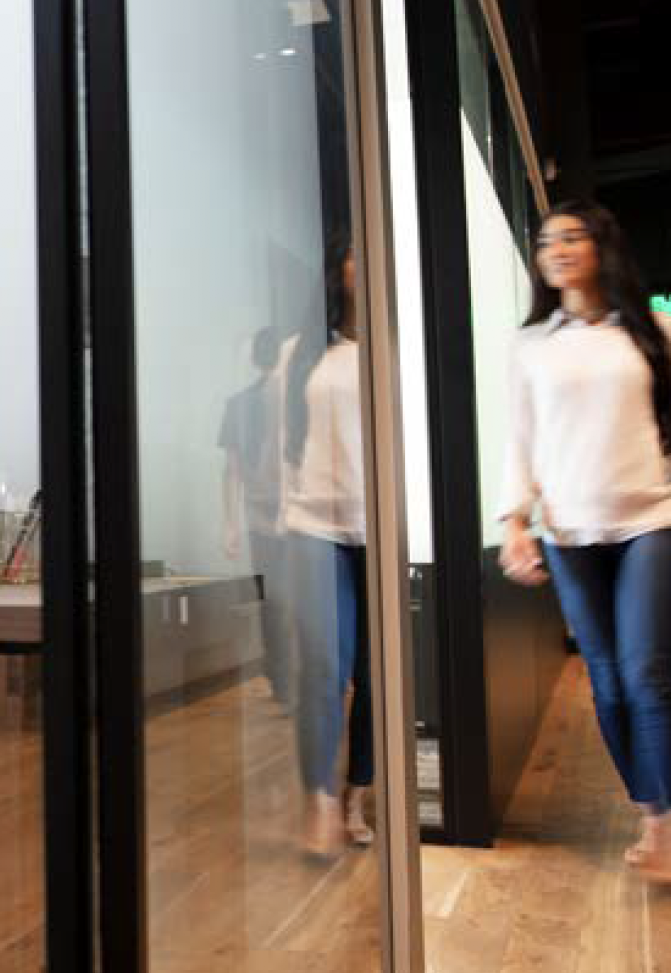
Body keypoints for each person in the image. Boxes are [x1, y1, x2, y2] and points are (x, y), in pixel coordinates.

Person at [498, 200, 671, 884]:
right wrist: (513, 521)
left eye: (572, 237)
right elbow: (519, 440)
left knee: (648, 675)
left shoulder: (659, 330)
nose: (556, 249)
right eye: (546, 241)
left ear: (601, 245)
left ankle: (670, 823)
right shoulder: (530, 344)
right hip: (567, 530)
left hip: (650, 519)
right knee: (608, 681)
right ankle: (648, 806)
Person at [281, 243, 373, 854]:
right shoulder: (303, 351)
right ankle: (318, 796)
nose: (360, 264)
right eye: (351, 254)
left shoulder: (396, 347)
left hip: (380, 530)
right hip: (314, 523)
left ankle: (355, 792)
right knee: (323, 665)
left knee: (375, 674)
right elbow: (286, 440)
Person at [219, 326, 294, 714]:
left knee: (278, 600)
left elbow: (230, 471)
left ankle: (286, 680)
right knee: (277, 600)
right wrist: (231, 524)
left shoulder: (287, 399)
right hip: (271, 516)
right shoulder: (244, 405)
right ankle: (284, 680)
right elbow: (231, 470)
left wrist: (231, 524)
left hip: (285, 515)